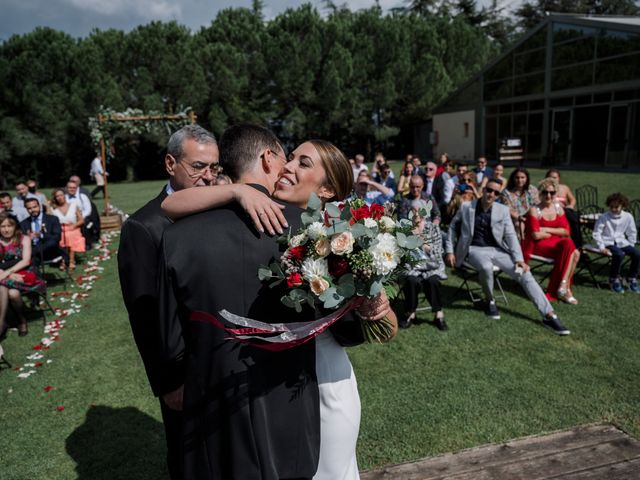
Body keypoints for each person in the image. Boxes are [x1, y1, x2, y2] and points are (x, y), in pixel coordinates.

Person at [160, 124, 395, 480]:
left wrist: (375, 301)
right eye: (290, 159)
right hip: (278, 382)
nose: (287, 168)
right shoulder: (272, 216)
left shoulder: (334, 237)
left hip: (322, 377)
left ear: (327, 188)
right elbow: (169, 203)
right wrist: (239, 191)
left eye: (302, 163)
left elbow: (370, 330)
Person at [117, 124, 219, 480]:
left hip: (224, 358)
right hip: (183, 365)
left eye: (214, 168)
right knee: (188, 456)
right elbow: (144, 313)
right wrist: (169, 382)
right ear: (170, 163)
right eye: (198, 167)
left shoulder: (220, 209)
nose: (208, 177)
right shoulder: (144, 227)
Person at [445, 178, 570, 335]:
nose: (491, 194)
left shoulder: (502, 210)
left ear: (498, 195)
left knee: (524, 273)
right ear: (483, 190)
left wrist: (519, 260)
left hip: (498, 250)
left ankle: (549, 315)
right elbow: (451, 228)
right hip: (474, 249)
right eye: (489, 190)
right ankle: (490, 300)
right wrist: (449, 251)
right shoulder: (466, 207)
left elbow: (511, 236)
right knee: (485, 267)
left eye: (496, 192)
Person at [523, 178, 580, 304]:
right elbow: (536, 235)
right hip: (538, 245)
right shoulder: (534, 210)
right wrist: (555, 231)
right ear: (540, 193)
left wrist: (545, 228)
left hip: (555, 243)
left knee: (572, 248)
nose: (548, 195)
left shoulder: (559, 208)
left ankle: (563, 286)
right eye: (545, 192)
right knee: (574, 252)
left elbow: (567, 232)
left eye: (552, 193)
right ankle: (566, 289)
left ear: (555, 194)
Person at [400, 199, 447, 331]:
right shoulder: (405, 230)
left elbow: (438, 255)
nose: (416, 214)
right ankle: (411, 312)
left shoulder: (433, 228)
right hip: (412, 268)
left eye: (419, 211)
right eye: (413, 211)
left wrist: (423, 244)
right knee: (411, 280)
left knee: (432, 281)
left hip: (432, 267)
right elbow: (404, 257)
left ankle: (438, 313)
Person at [0, 212, 45, 339]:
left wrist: (8, 273)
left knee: (4, 286)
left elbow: (25, 260)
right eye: (2, 226)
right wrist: (6, 275)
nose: (6, 229)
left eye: (9, 226)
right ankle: (19, 320)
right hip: (4, 277)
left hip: (24, 273)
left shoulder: (24, 239)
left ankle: (5, 323)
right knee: (12, 293)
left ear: (15, 226)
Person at [592, 192, 640, 294]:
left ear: (623, 206)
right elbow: (597, 233)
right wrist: (601, 247)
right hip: (607, 242)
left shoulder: (628, 216)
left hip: (622, 242)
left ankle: (631, 278)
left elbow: (632, 232)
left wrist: (631, 245)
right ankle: (614, 279)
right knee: (619, 254)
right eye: (611, 207)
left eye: (616, 207)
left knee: (637, 253)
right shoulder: (604, 217)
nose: (613, 209)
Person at [19, 197, 67, 267]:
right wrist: (28, 238)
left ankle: (30, 253)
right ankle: (37, 277)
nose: (32, 210)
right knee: (32, 260)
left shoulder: (52, 219)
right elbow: (20, 240)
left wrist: (41, 235)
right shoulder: (23, 223)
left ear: (39, 206)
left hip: (50, 251)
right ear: (26, 209)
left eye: (34, 207)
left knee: (52, 242)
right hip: (34, 253)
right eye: (29, 208)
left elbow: (57, 237)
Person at [545, 168, 582, 248]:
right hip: (553, 211)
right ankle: (580, 245)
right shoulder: (545, 189)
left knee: (571, 218)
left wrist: (571, 205)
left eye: (555, 177)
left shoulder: (564, 188)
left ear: (559, 178)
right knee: (574, 220)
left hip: (566, 211)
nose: (552, 179)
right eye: (550, 177)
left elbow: (572, 199)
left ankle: (578, 246)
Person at [50, 188, 85, 270]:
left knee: (71, 236)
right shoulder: (53, 209)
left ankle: (71, 261)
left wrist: (74, 225)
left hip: (72, 227)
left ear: (64, 196)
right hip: (60, 229)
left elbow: (81, 220)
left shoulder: (73, 205)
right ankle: (63, 261)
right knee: (61, 237)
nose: (59, 197)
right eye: (57, 196)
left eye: (61, 195)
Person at [501, 167, 539, 241]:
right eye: (517, 178)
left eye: (522, 177)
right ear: (513, 179)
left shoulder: (532, 189)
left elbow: (537, 204)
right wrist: (520, 218)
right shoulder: (506, 192)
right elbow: (508, 209)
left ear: (526, 178)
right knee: (518, 224)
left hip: (532, 216)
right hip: (515, 218)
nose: (520, 180)